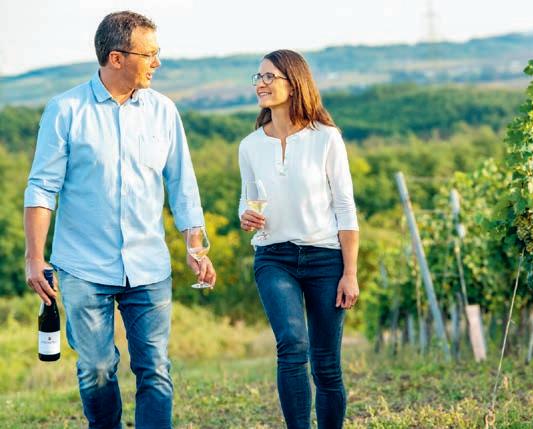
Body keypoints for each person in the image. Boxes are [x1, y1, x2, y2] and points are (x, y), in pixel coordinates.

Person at [23, 11, 216, 429]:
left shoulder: (164, 111)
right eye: (149, 54)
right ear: (116, 58)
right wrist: (35, 258)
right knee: (96, 369)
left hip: (149, 267)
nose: (157, 63)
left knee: (155, 368)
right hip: (83, 267)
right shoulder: (65, 110)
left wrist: (195, 246)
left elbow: (182, 184)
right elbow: (41, 188)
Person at [238, 49, 360, 429]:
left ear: (293, 84)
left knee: (326, 364)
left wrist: (350, 273)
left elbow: (345, 207)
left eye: (269, 77)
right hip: (274, 257)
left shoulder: (326, 138)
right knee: (292, 344)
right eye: (258, 77)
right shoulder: (250, 146)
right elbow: (247, 199)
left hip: (326, 259)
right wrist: (245, 215)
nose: (261, 84)